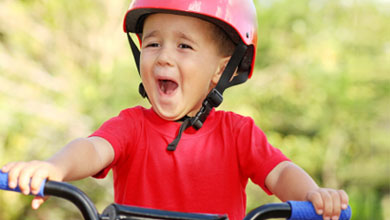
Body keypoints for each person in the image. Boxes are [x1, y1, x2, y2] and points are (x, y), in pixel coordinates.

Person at [1, 0, 349, 220]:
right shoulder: (131, 126)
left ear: (220, 70)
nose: (164, 56)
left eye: (184, 45)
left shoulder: (238, 133)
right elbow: (93, 148)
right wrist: (54, 167)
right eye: (152, 43)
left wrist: (312, 196)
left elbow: (281, 172)